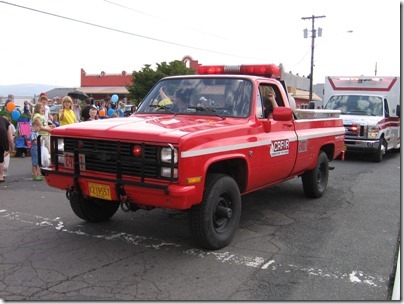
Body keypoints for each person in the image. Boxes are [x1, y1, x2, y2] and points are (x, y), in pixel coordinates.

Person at [0, 115, 14, 182]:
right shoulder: (5, 121)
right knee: (0, 159)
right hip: (1, 140)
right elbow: (10, 138)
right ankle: (0, 176)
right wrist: (11, 148)